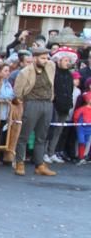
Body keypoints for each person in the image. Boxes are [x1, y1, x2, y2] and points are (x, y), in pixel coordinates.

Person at [12, 47, 58, 176]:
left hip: (47, 103)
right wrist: (21, 102)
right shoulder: (25, 72)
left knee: (41, 136)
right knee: (24, 136)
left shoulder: (50, 66)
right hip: (32, 102)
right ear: (34, 58)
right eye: (43, 58)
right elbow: (17, 91)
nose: (46, 60)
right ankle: (19, 162)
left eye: (47, 58)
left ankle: (39, 164)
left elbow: (55, 64)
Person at [47, 47, 77, 163]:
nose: (67, 63)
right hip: (55, 105)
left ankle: (52, 152)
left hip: (65, 106)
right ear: (58, 61)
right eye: (65, 60)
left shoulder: (69, 75)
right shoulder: (54, 73)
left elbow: (69, 90)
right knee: (50, 129)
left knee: (58, 130)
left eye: (68, 61)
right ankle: (45, 152)